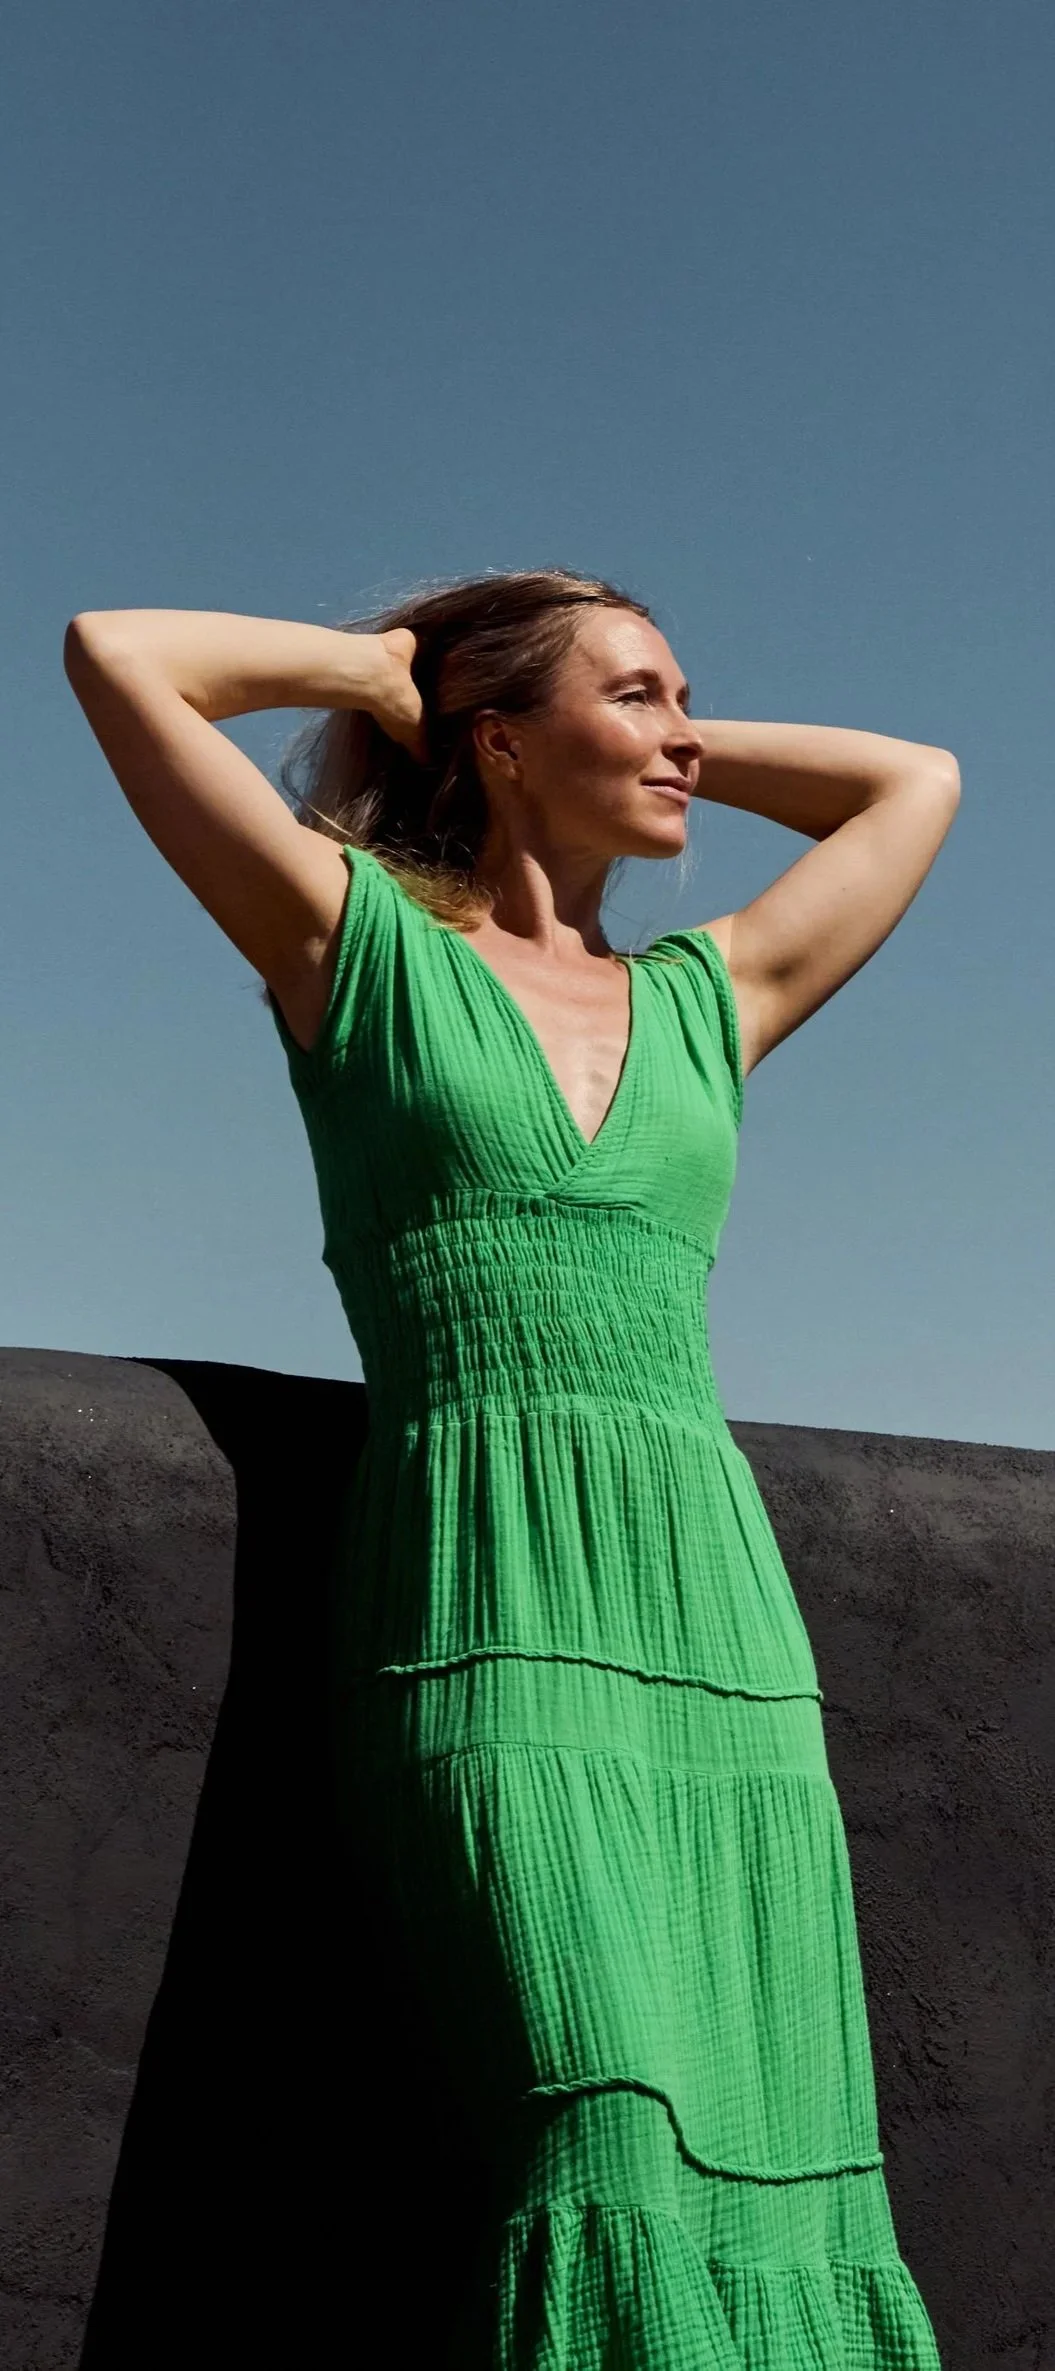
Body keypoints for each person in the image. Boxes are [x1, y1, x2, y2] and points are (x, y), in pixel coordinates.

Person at [65, 569, 958, 2368]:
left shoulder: (712, 995)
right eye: (635, 696)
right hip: (485, 1598)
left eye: (685, 700)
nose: (684, 736)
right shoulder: (355, 947)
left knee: (786, 2171)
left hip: (715, 1622)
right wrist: (379, 677)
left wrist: (651, 728)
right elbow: (117, 658)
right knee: (597, 2121)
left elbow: (913, 782)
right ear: (495, 737)